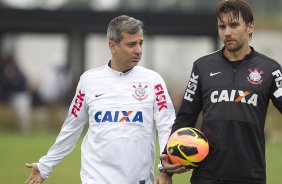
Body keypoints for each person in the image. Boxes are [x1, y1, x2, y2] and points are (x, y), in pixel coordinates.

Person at [25, 15, 175, 184]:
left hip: (139, 180)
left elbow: (166, 126)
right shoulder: (89, 81)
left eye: (140, 43)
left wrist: (164, 169)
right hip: (96, 179)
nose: (138, 50)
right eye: (131, 44)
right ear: (113, 46)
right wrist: (46, 165)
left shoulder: (153, 81)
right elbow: (71, 127)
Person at [159, 0, 282, 184]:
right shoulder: (202, 66)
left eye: (233, 25)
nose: (227, 32)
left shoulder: (270, 69)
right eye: (222, 26)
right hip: (207, 176)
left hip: (251, 176)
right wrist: (165, 169)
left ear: (250, 26)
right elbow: (185, 118)